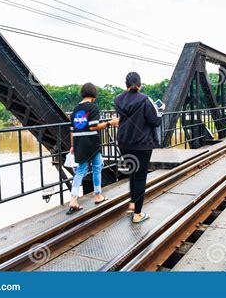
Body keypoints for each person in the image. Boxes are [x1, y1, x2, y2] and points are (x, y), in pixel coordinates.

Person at [114, 71, 164, 224]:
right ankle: (137, 214)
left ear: (126, 84)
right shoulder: (145, 100)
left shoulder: (118, 99)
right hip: (142, 144)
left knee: (133, 174)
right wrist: (160, 111)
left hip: (124, 143)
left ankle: (132, 204)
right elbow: (155, 121)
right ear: (139, 84)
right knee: (141, 177)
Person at [67, 83, 118, 215]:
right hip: (91, 144)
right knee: (97, 168)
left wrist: (73, 146)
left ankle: (73, 199)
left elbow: (72, 131)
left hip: (79, 144)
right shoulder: (92, 107)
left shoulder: (75, 110)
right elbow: (93, 126)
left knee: (80, 171)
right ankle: (97, 195)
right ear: (94, 95)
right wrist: (109, 123)